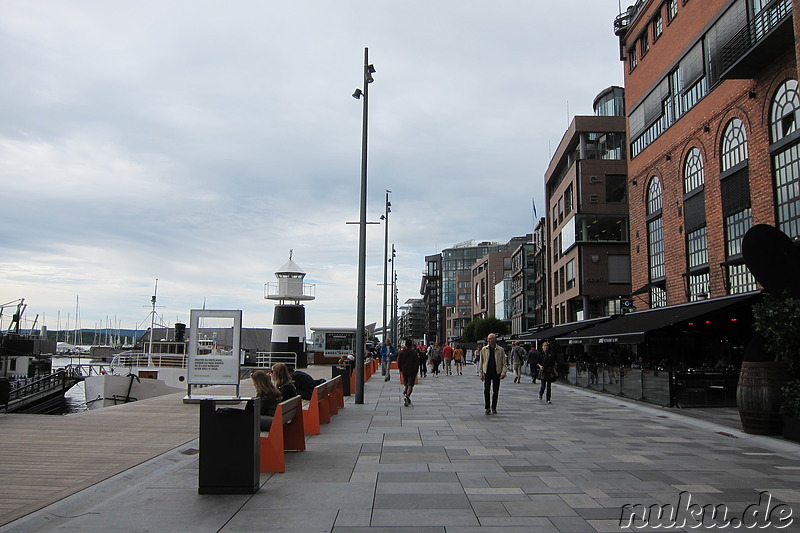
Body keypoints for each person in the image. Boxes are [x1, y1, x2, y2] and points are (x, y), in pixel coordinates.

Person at [479, 333, 508, 414]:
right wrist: (481, 373)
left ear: (494, 340)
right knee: (486, 390)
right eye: (488, 339)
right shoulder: (484, 349)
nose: (488, 340)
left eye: (490, 339)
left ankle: (494, 407)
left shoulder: (500, 350)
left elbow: (504, 363)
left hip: (496, 372)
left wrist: (503, 372)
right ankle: (487, 407)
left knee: (496, 390)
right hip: (487, 372)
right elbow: (481, 362)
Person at [397, 338, 420, 406]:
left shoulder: (402, 353)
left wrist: (401, 369)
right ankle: (407, 397)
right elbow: (416, 362)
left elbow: (399, 362)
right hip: (412, 370)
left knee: (406, 383)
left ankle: (406, 391)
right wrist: (416, 370)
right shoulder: (414, 353)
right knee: (410, 385)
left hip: (404, 370)